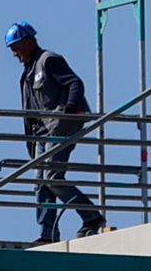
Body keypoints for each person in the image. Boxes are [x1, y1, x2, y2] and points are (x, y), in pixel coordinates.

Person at [6, 21, 105, 244]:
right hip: (42, 132)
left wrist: (69, 111)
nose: (15, 54)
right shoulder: (27, 74)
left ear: (29, 41)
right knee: (41, 183)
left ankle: (91, 216)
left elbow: (75, 83)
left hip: (60, 125)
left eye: (17, 47)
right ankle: (47, 234)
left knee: (52, 177)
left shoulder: (48, 61)